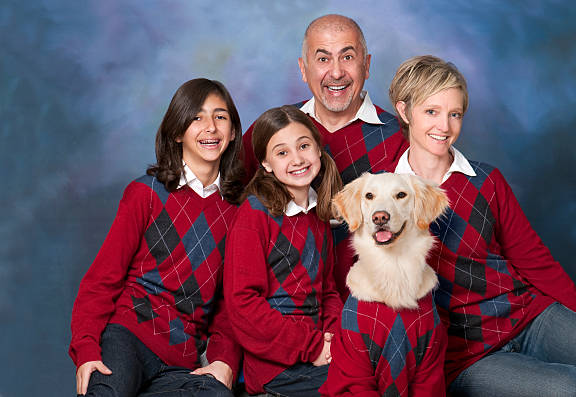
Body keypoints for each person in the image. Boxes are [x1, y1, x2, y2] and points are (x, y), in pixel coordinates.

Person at [388, 55, 576, 396]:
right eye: (431, 112)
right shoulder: (384, 194)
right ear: (404, 112)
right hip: (467, 356)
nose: (444, 127)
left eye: (455, 114)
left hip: (527, 315)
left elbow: (534, 260)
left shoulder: (486, 180)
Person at [69, 78, 244, 396]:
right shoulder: (145, 194)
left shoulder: (240, 213)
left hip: (182, 361)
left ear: (233, 132)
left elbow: (231, 303)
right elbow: (101, 280)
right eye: (196, 117)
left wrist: (224, 361)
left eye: (220, 116)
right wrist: (86, 351)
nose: (210, 127)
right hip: (127, 337)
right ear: (177, 132)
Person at [242, 14, 409, 300]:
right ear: (303, 69)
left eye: (347, 57)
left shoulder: (401, 138)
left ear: (366, 65)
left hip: (371, 305)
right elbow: (230, 207)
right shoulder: (272, 132)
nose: (335, 72)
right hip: (284, 306)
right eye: (322, 59)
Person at [224, 105, 344, 396]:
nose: (297, 159)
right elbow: (243, 305)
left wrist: (335, 339)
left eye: (303, 146)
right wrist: (313, 347)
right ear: (265, 163)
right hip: (277, 366)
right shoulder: (255, 214)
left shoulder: (318, 214)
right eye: (282, 152)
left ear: (318, 149)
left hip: (318, 351)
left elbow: (326, 291)